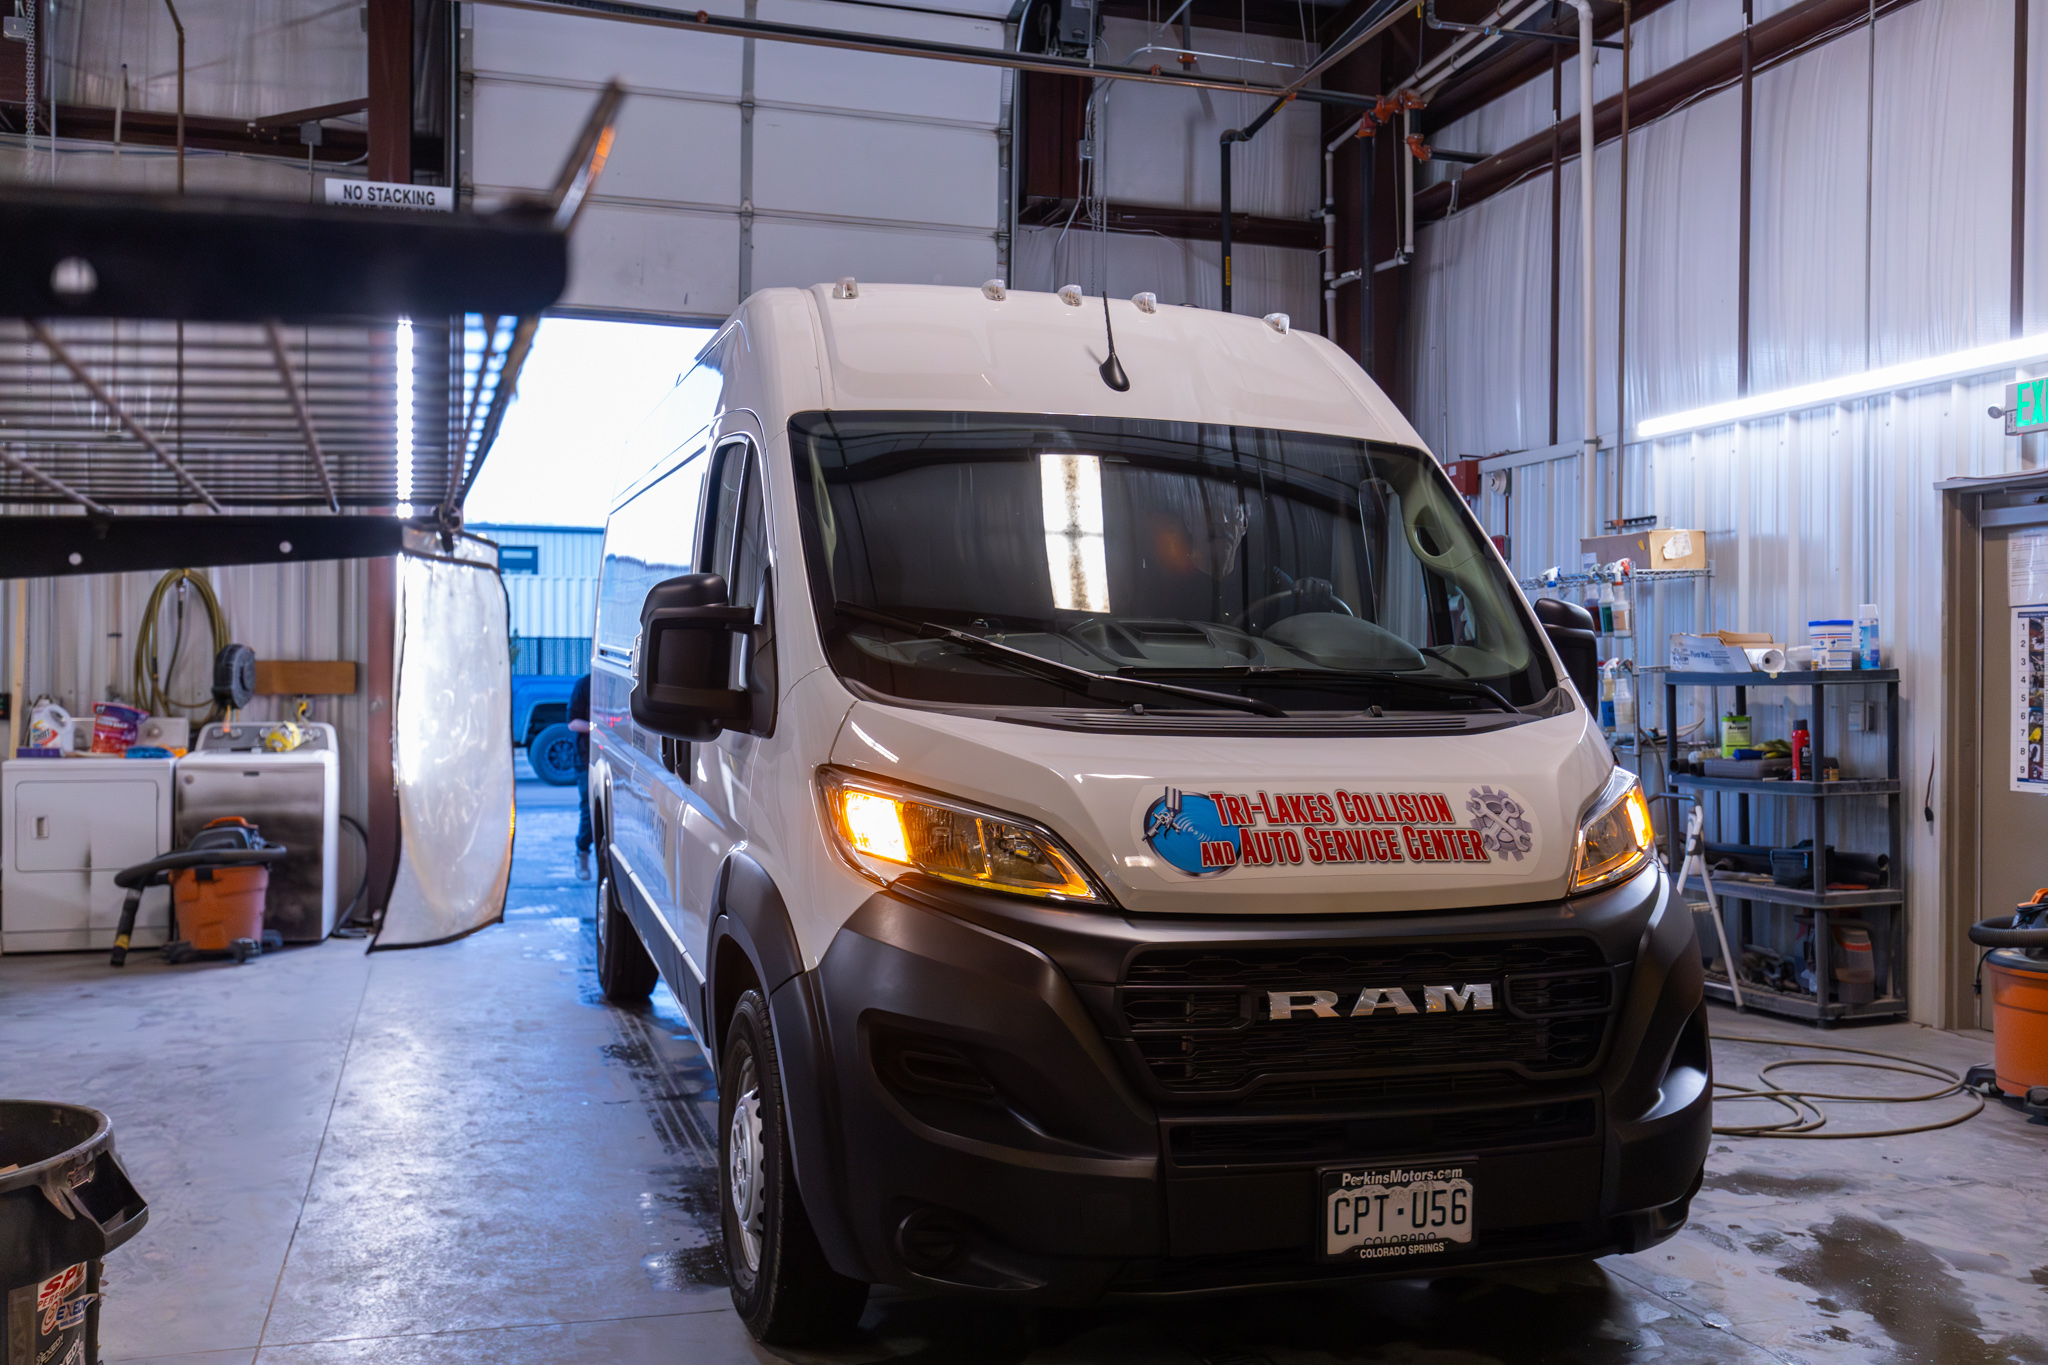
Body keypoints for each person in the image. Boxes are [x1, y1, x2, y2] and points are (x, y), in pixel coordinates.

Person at [569, 672, 593, 880]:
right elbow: (572, 722)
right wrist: (597, 728)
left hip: (615, 755)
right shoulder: (585, 684)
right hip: (586, 758)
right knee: (588, 807)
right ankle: (582, 852)